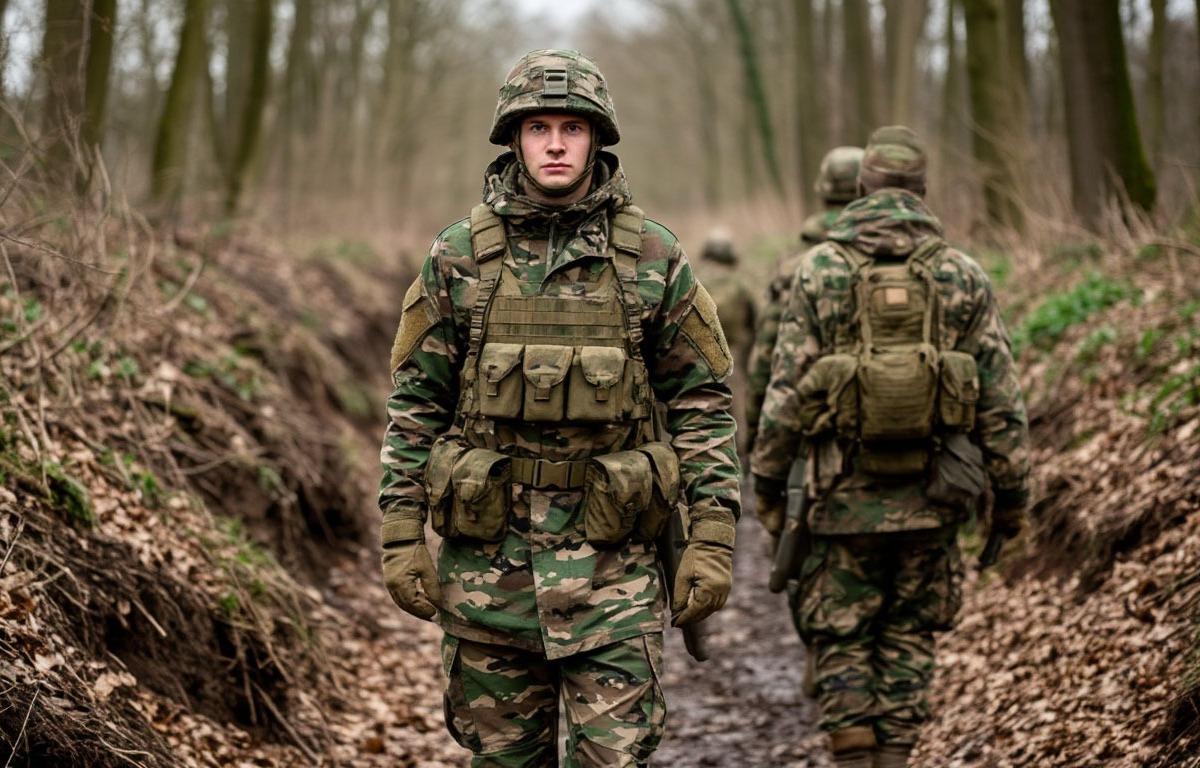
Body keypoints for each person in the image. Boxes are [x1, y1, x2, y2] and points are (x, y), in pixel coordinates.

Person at [378, 49, 740, 767]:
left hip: (618, 580)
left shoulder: (652, 259)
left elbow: (701, 405)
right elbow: (416, 403)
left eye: (570, 128)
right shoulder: (457, 258)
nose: (553, 143)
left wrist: (714, 535)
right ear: (512, 138)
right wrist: (398, 530)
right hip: (489, 582)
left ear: (595, 138)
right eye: (537, 126)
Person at [751, 126, 1030, 768]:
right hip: (935, 497)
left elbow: (786, 393)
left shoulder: (821, 269)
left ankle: (852, 753)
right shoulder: (960, 274)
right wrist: (1011, 499)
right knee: (909, 633)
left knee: (841, 634)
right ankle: (896, 756)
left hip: (836, 495)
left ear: (864, 190)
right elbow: (1001, 403)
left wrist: (766, 485)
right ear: (922, 191)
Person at [745, 146, 863, 453]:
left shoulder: (793, 264)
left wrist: (757, 430)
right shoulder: (895, 256)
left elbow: (768, 351)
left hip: (814, 428)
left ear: (822, 193)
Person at [697, 230, 757, 455]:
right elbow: (754, 322)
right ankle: (738, 463)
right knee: (737, 411)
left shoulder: (693, 278)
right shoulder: (740, 282)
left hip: (697, 355)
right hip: (732, 355)